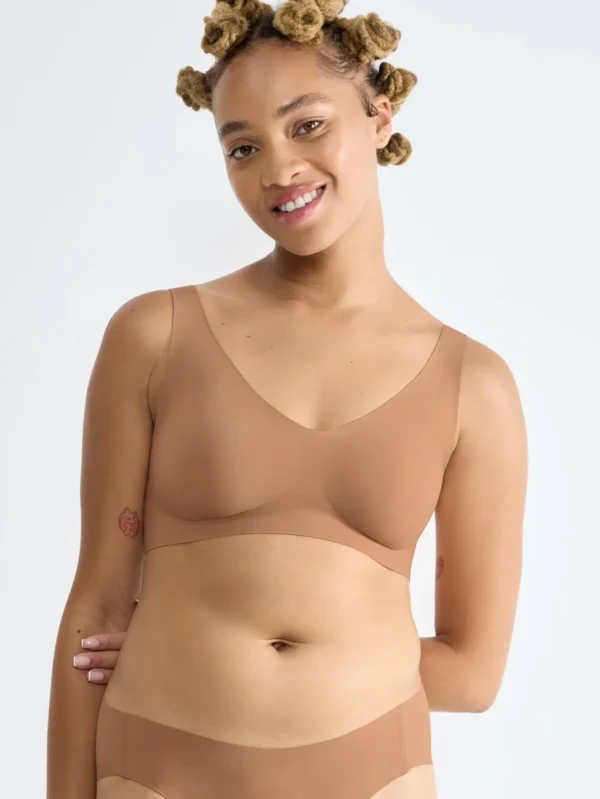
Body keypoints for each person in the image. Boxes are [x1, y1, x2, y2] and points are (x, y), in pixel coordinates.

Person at [48, 1, 528, 797]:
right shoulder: (154, 337)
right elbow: (94, 610)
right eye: (243, 147)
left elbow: (475, 673)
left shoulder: (474, 387)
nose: (278, 169)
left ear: (379, 114)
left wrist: (327, 668)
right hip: (159, 769)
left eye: (307, 125)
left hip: (378, 777)